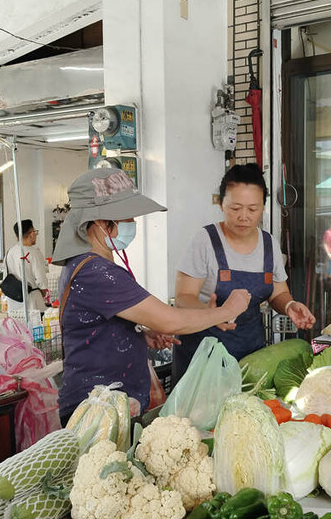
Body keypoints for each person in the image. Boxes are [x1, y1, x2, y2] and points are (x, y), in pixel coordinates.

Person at [51, 167, 251, 423]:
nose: (132, 224)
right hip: (96, 411)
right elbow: (170, 320)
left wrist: (139, 336)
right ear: (102, 223)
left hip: (109, 404)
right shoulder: (96, 271)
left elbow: (95, 327)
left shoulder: (88, 265)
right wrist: (227, 310)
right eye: (126, 219)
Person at [172, 163, 315, 380]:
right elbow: (184, 298)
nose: (244, 216)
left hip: (251, 355)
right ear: (221, 204)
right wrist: (212, 315)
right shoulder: (205, 240)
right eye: (235, 208)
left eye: (252, 209)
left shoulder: (270, 244)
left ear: (263, 206)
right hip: (202, 356)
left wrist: (289, 305)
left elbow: (277, 292)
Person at [4, 219, 49, 313]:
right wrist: (43, 290)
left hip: (13, 300)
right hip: (32, 299)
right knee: (34, 326)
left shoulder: (9, 252)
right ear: (31, 233)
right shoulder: (34, 253)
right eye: (35, 232)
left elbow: (5, 276)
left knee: (17, 327)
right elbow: (41, 278)